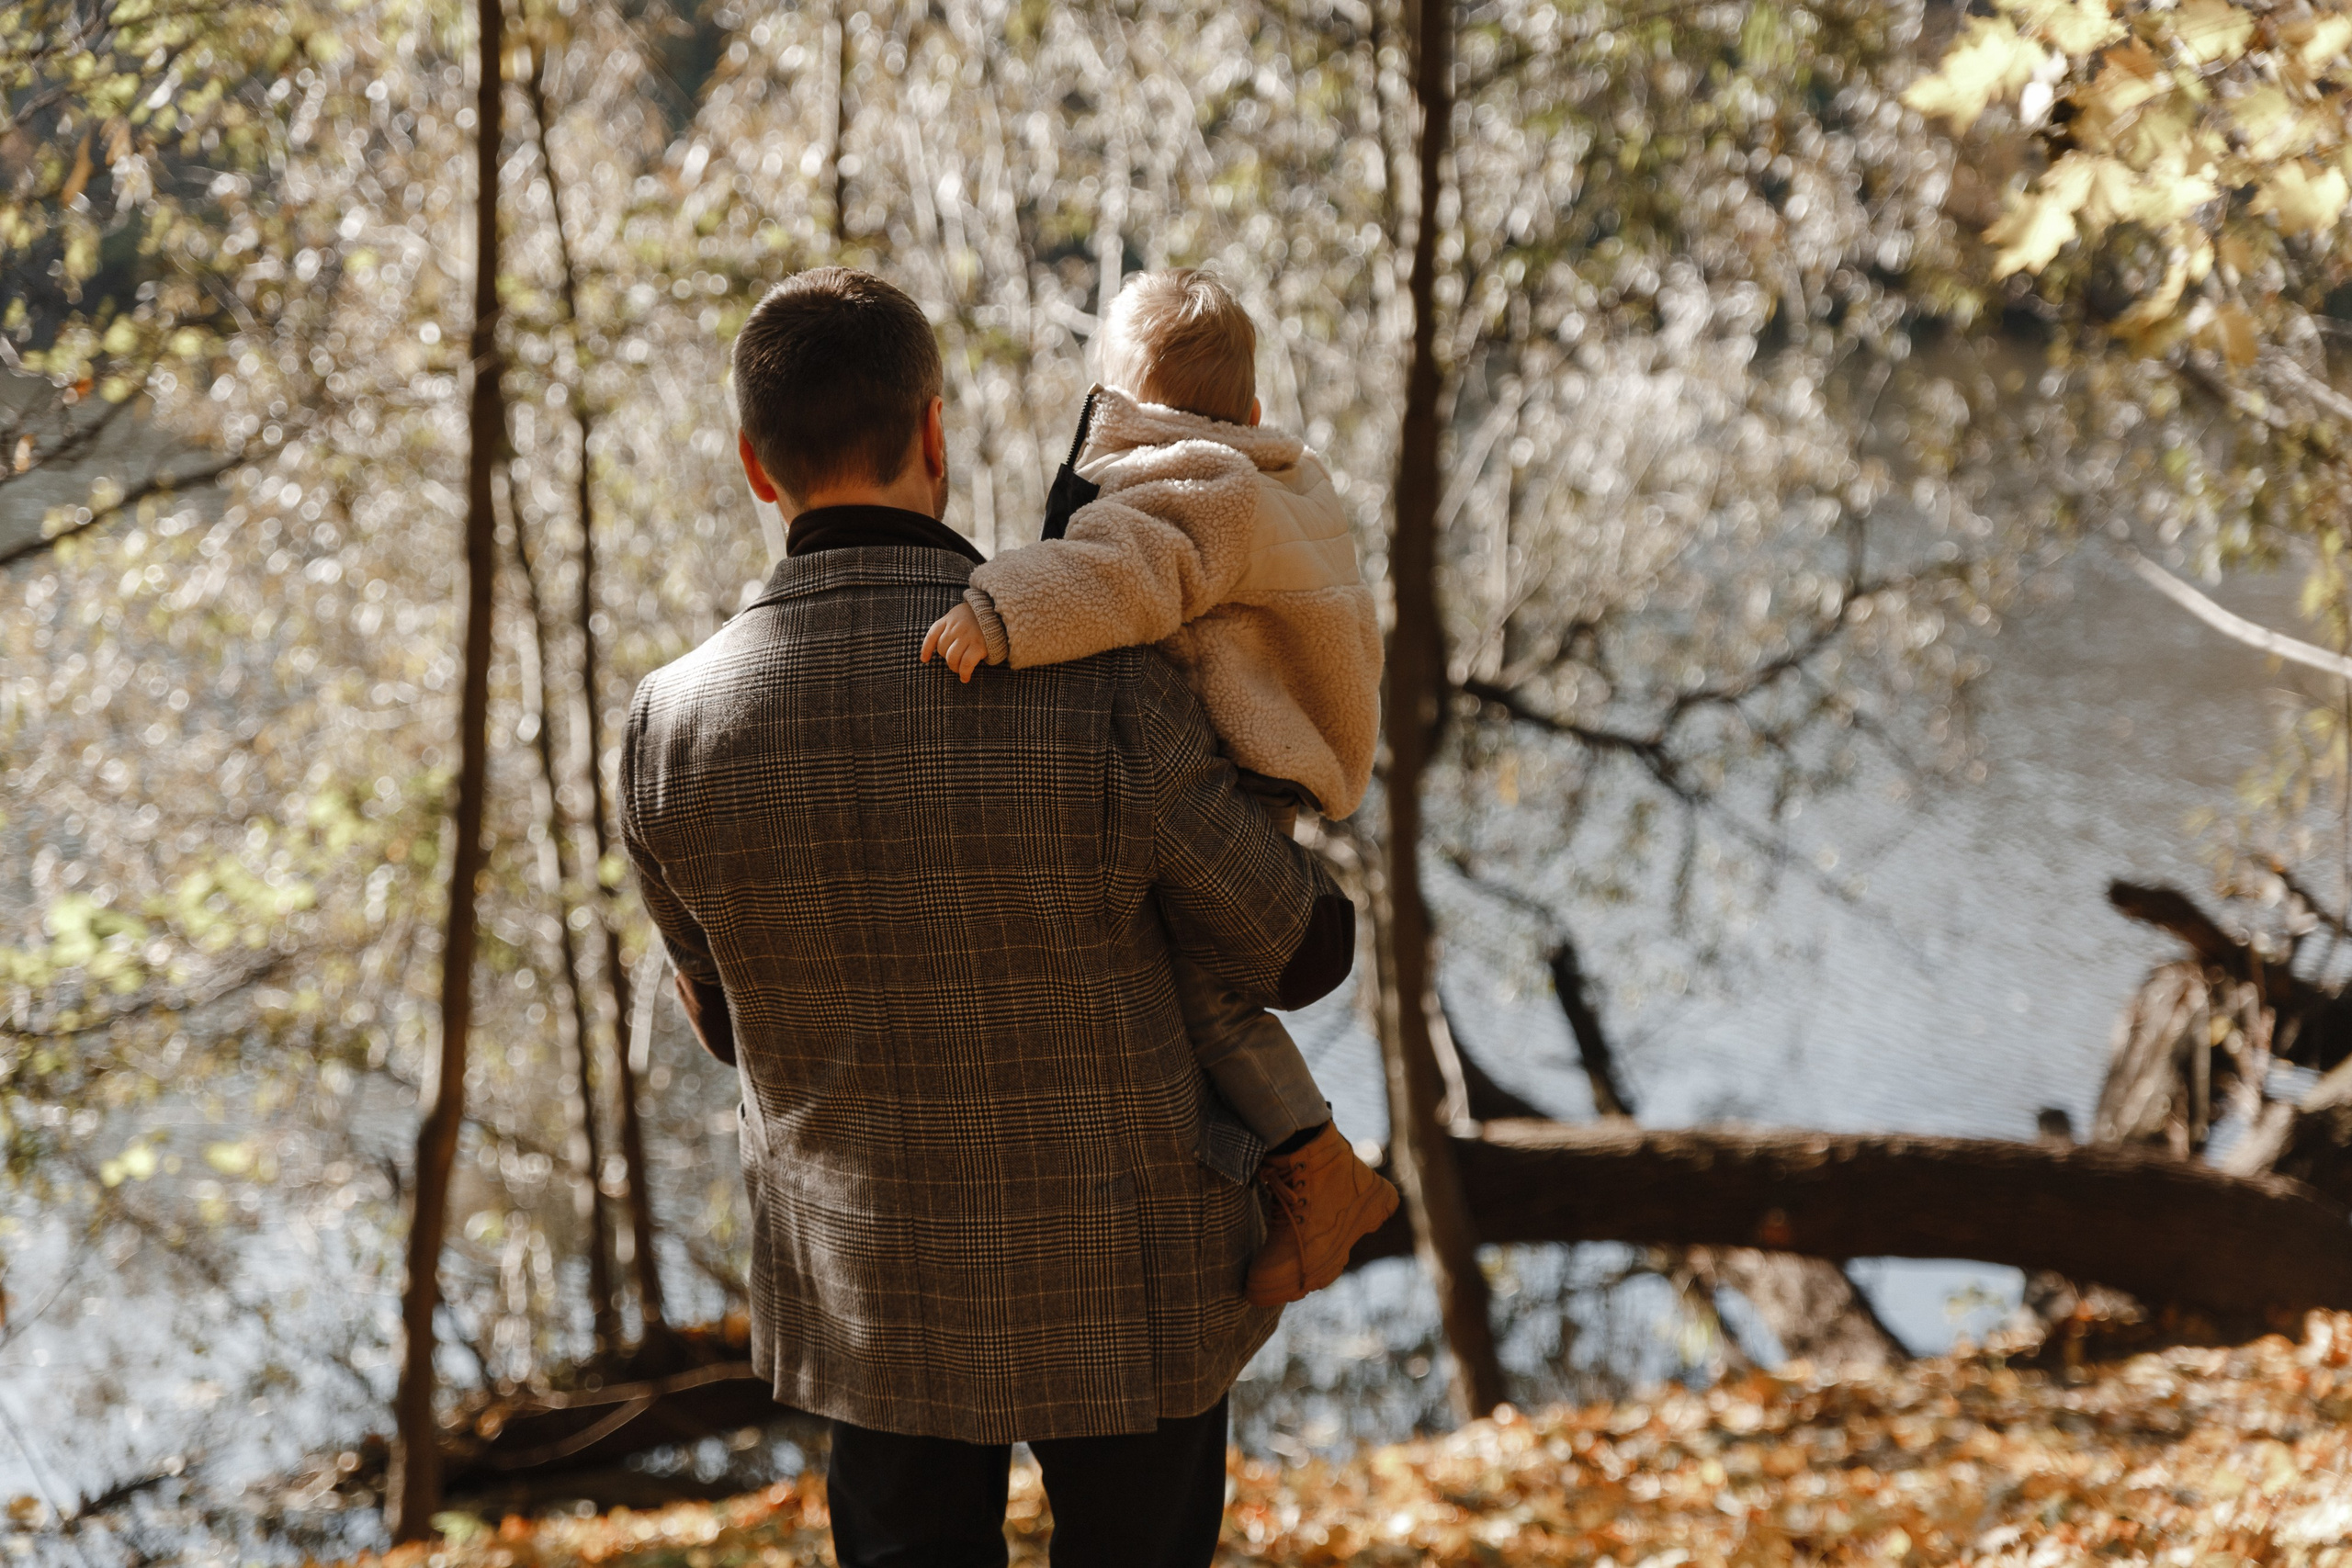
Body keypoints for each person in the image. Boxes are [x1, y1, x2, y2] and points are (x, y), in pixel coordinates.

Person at [620, 266, 1357, 1568]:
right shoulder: (1105, 673)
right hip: (1132, 1288)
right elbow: (1294, 951)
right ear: (937, 438)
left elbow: (729, 1023)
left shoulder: (669, 728)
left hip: (873, 1296)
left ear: (754, 463)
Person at [920, 268, 1396, 1306]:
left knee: (1200, 996)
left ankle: (1320, 1167)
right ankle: (1297, 1164)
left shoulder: (1193, 490)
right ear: (1254, 407)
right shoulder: (1273, 476)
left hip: (1226, 773)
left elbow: (1123, 573)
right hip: (1263, 771)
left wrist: (998, 611)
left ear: (1130, 412)